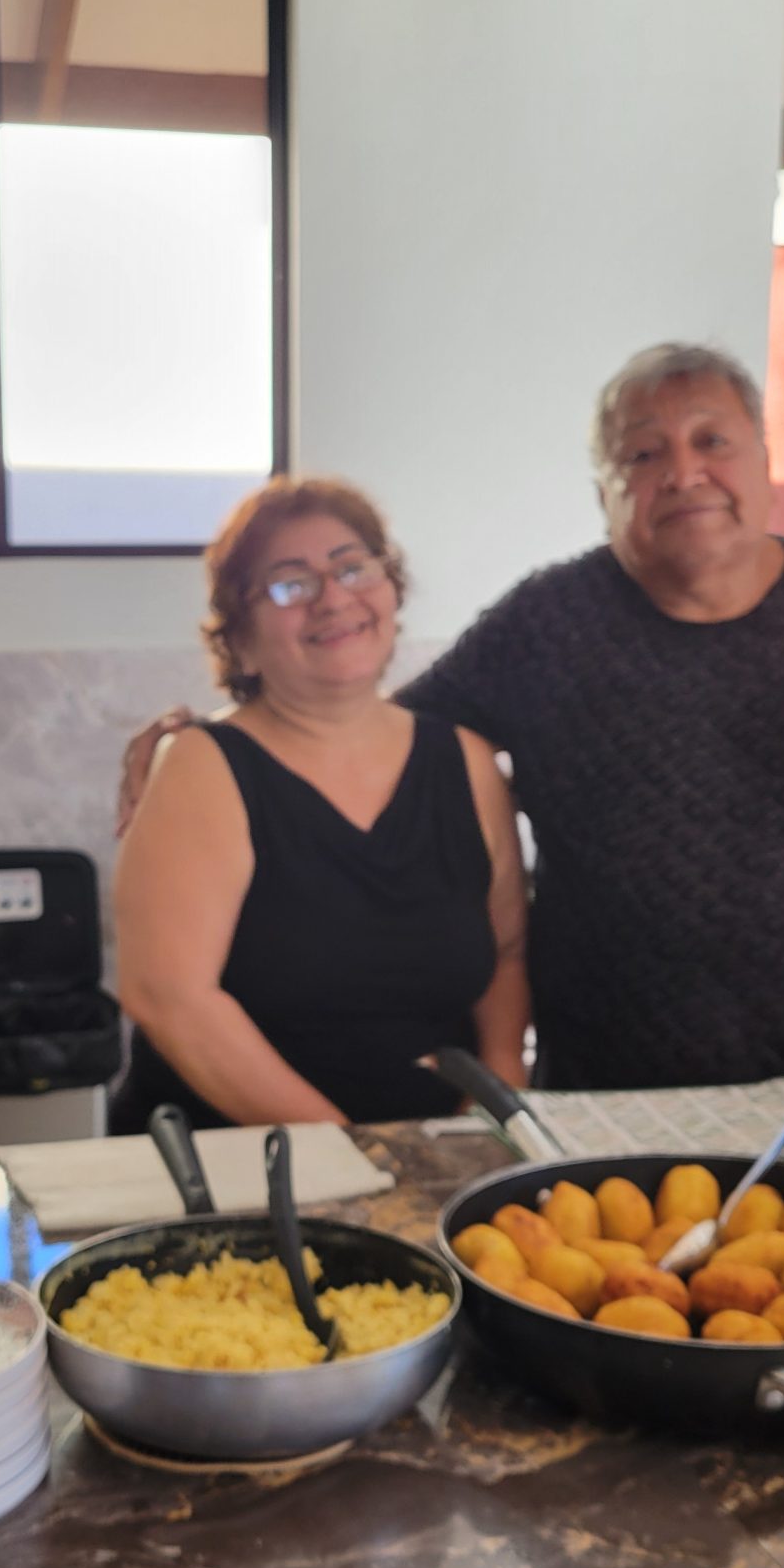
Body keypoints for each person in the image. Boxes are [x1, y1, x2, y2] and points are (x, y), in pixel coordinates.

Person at [121, 343, 784, 1091]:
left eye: (713, 441)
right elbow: (354, 727)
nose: (684, 472)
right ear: (605, 495)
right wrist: (204, 753)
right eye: (643, 454)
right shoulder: (546, 621)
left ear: (766, 465)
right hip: (603, 1083)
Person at [109, 477, 531, 1129]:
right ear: (240, 638)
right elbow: (166, 996)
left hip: (438, 1159)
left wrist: (496, 1096)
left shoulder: (467, 762)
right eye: (290, 583)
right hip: (238, 1171)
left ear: (391, 593)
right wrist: (348, 1152)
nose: (334, 597)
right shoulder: (202, 765)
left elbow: (503, 955)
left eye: (352, 567)